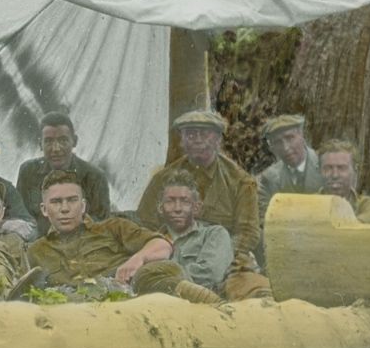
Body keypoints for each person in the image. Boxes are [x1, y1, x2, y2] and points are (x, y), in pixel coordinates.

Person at [28, 170, 221, 303]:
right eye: (56, 202)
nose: (65, 209)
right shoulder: (36, 250)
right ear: (44, 210)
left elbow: (163, 245)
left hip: (128, 302)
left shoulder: (113, 227)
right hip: (74, 313)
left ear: (84, 205)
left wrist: (139, 258)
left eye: (72, 200)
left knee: (160, 269)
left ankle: (217, 307)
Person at [135, 110, 269, 299]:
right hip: (175, 253)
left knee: (254, 294)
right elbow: (145, 223)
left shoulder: (240, 181)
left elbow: (248, 232)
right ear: (182, 140)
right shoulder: (163, 179)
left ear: (217, 139)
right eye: (190, 134)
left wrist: (220, 255)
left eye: (204, 134)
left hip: (230, 258)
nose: (197, 139)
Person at [16, 112, 111, 234]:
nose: (56, 149)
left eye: (63, 140)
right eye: (49, 141)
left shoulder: (95, 176)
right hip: (39, 242)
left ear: (74, 141)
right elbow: (21, 216)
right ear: (40, 144)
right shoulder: (28, 171)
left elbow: (101, 223)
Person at [156, 170, 233, 295]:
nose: (177, 208)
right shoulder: (151, 240)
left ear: (196, 207)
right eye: (170, 201)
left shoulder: (214, 234)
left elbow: (211, 274)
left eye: (185, 201)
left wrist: (158, 279)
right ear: (160, 208)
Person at [255, 114, 323, 220]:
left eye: (290, 138)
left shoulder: (329, 168)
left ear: (302, 135)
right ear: (272, 148)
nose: (286, 148)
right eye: (278, 142)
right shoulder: (268, 179)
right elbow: (266, 221)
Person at [318, 138, 370, 223]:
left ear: (355, 172)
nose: (335, 175)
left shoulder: (369, 205)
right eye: (328, 168)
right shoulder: (309, 204)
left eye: (341, 168)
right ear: (319, 171)